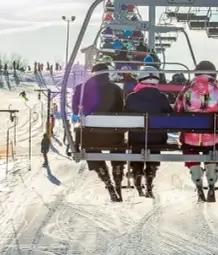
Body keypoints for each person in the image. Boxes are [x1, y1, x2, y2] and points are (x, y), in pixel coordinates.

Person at [175, 60, 218, 202]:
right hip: (212, 138)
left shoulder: (186, 91)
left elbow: (177, 111)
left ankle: (197, 178)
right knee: (214, 144)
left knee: (188, 144)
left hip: (190, 138)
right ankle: (211, 178)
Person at [73, 63, 127, 201]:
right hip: (113, 135)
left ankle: (108, 183)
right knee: (118, 146)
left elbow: (75, 110)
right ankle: (118, 179)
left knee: (92, 148)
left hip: (91, 136)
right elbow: (120, 110)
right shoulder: (115, 89)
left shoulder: (82, 88)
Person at [124, 66, 172, 197]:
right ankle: (150, 176)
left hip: (136, 137)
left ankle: (137, 173)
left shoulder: (132, 97)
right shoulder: (162, 98)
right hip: (157, 138)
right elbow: (170, 116)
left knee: (136, 144)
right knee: (154, 144)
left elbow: (125, 117)